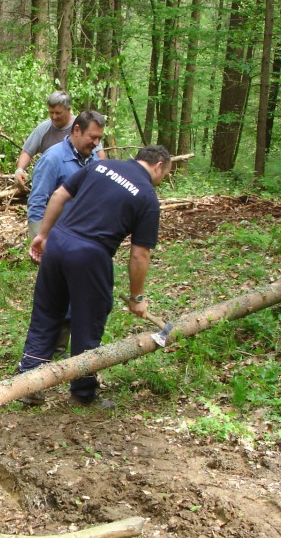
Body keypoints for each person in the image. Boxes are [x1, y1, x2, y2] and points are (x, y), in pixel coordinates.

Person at [17, 145, 173, 407]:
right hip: (90, 254)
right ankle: (82, 391)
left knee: (46, 313)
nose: (161, 181)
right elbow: (139, 255)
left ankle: (27, 384)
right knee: (88, 322)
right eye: (164, 175)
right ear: (159, 166)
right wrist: (137, 297)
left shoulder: (103, 165)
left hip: (58, 242)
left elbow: (58, 195)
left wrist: (43, 235)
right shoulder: (147, 196)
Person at [26, 109, 106, 242]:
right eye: (92, 137)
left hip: (84, 241)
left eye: (100, 138)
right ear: (77, 130)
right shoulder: (52, 159)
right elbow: (37, 202)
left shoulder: (95, 161)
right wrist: (38, 240)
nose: (97, 143)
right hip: (56, 241)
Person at [14, 91, 106, 191]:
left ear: (69, 109)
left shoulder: (82, 125)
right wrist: (20, 169)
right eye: (51, 112)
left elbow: (100, 156)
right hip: (50, 183)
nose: (54, 116)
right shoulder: (43, 129)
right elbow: (27, 152)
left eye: (58, 113)